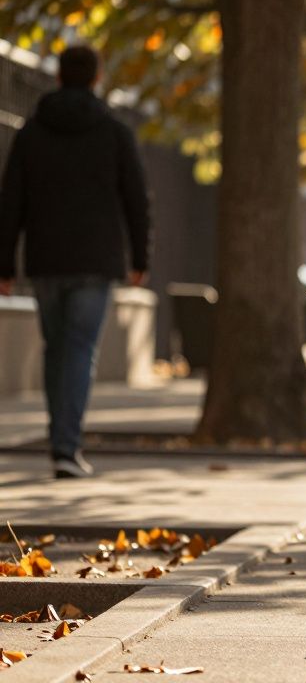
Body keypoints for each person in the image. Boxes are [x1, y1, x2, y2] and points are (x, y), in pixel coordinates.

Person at [0, 46, 151, 480]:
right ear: (97, 77)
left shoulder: (32, 133)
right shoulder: (114, 133)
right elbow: (137, 201)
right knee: (79, 351)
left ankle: (59, 440)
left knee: (55, 350)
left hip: (46, 259)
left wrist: (5, 263)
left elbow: (11, 201)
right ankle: (68, 445)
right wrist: (140, 257)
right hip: (95, 260)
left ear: (59, 77)